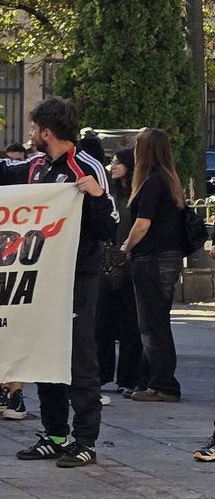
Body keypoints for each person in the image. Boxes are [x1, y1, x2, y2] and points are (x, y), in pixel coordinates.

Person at [0, 98, 114, 468]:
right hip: (40, 277)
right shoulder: (37, 165)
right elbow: (3, 172)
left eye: (34, 129)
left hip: (77, 279)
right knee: (45, 356)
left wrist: (97, 197)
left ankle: (85, 440)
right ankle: (54, 435)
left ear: (47, 132)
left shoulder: (87, 168)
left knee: (79, 359)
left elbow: (110, 227)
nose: (31, 135)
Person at [122, 128, 184, 403]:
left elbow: (142, 224)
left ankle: (163, 385)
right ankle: (149, 381)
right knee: (156, 322)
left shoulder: (152, 182)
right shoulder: (169, 180)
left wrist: (126, 246)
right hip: (168, 258)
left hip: (152, 259)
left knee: (152, 325)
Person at [96, 146, 143, 395]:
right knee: (102, 320)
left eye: (117, 163)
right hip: (108, 262)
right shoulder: (108, 192)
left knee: (130, 322)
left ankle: (128, 376)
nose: (112, 166)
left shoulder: (138, 193)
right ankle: (102, 373)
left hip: (131, 261)